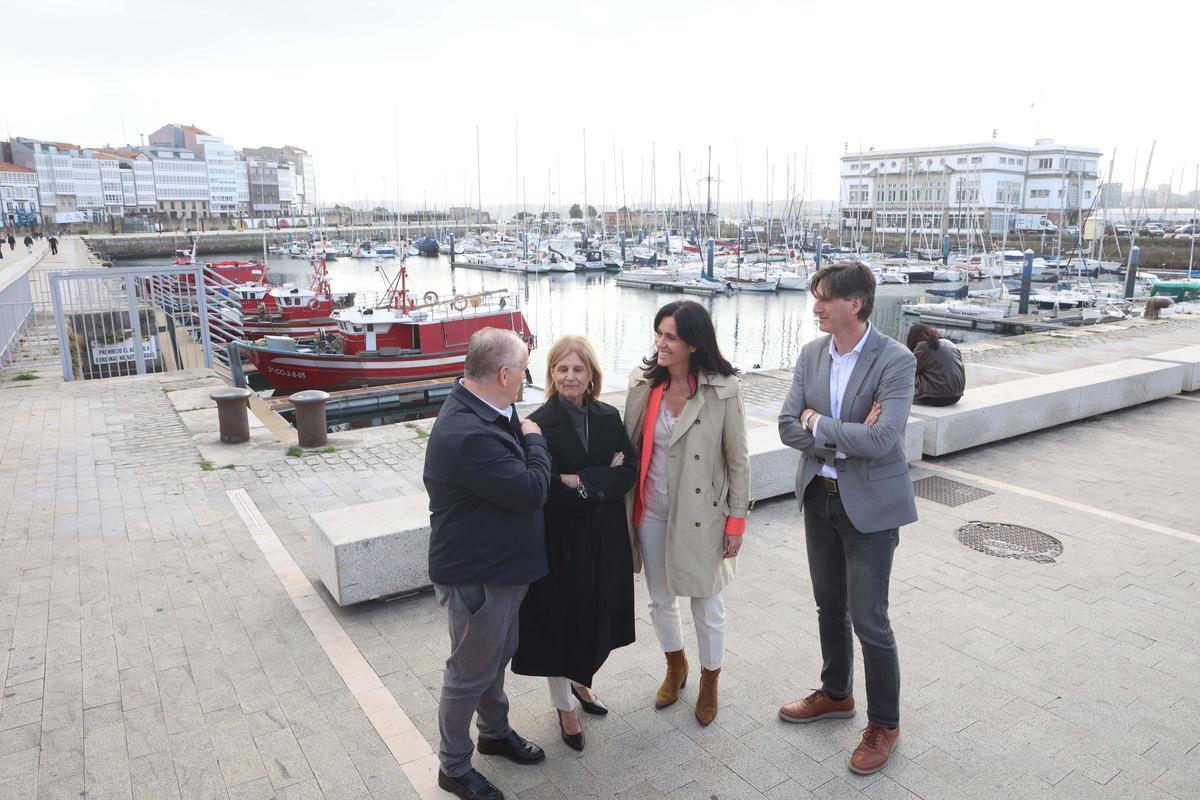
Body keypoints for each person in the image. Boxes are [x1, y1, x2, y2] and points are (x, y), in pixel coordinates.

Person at [777, 261, 918, 775]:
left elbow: (882, 440)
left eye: (824, 298)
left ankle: (885, 723)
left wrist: (818, 422)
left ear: (854, 304)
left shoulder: (896, 360)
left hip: (871, 508)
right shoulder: (812, 354)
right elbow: (786, 425)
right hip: (820, 496)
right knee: (828, 606)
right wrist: (840, 434)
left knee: (869, 619)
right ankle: (836, 693)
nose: (815, 307)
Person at [423, 328, 550, 800]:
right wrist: (536, 441)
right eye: (524, 371)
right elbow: (532, 488)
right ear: (503, 373)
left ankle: (494, 733)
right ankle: (454, 767)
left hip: (501, 567)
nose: (525, 380)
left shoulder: (488, 408)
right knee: (469, 673)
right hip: (478, 575)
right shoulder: (469, 433)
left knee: (494, 658)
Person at [624, 300, 750, 726]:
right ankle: (675, 666)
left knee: (707, 604)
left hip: (703, 514)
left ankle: (710, 680)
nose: (660, 343)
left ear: (694, 343)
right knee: (660, 599)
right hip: (651, 509)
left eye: (670, 337)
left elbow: (738, 461)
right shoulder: (644, 384)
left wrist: (736, 522)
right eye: (658, 333)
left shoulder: (723, 389)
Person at [512, 335, 637, 752]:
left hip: (604, 540)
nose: (570, 376)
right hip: (560, 540)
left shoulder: (608, 415)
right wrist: (600, 477)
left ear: (591, 375)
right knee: (559, 624)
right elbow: (543, 485)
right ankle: (564, 706)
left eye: (578, 369)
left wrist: (579, 480)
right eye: (562, 368)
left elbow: (628, 472)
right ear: (551, 373)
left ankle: (581, 681)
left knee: (596, 616)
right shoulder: (536, 424)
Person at [906, 323, 964, 406]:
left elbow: (909, 371)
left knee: (904, 376)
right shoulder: (950, 344)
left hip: (934, 397)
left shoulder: (923, 347)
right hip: (956, 396)